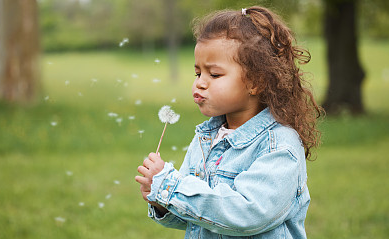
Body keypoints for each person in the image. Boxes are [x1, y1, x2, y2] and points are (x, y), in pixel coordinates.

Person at [135, 6, 322, 238]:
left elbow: (247, 215)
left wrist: (172, 187)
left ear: (256, 82)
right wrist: (163, 200)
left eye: (214, 74)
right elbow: (199, 215)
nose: (200, 83)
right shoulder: (206, 138)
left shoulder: (279, 146)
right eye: (197, 73)